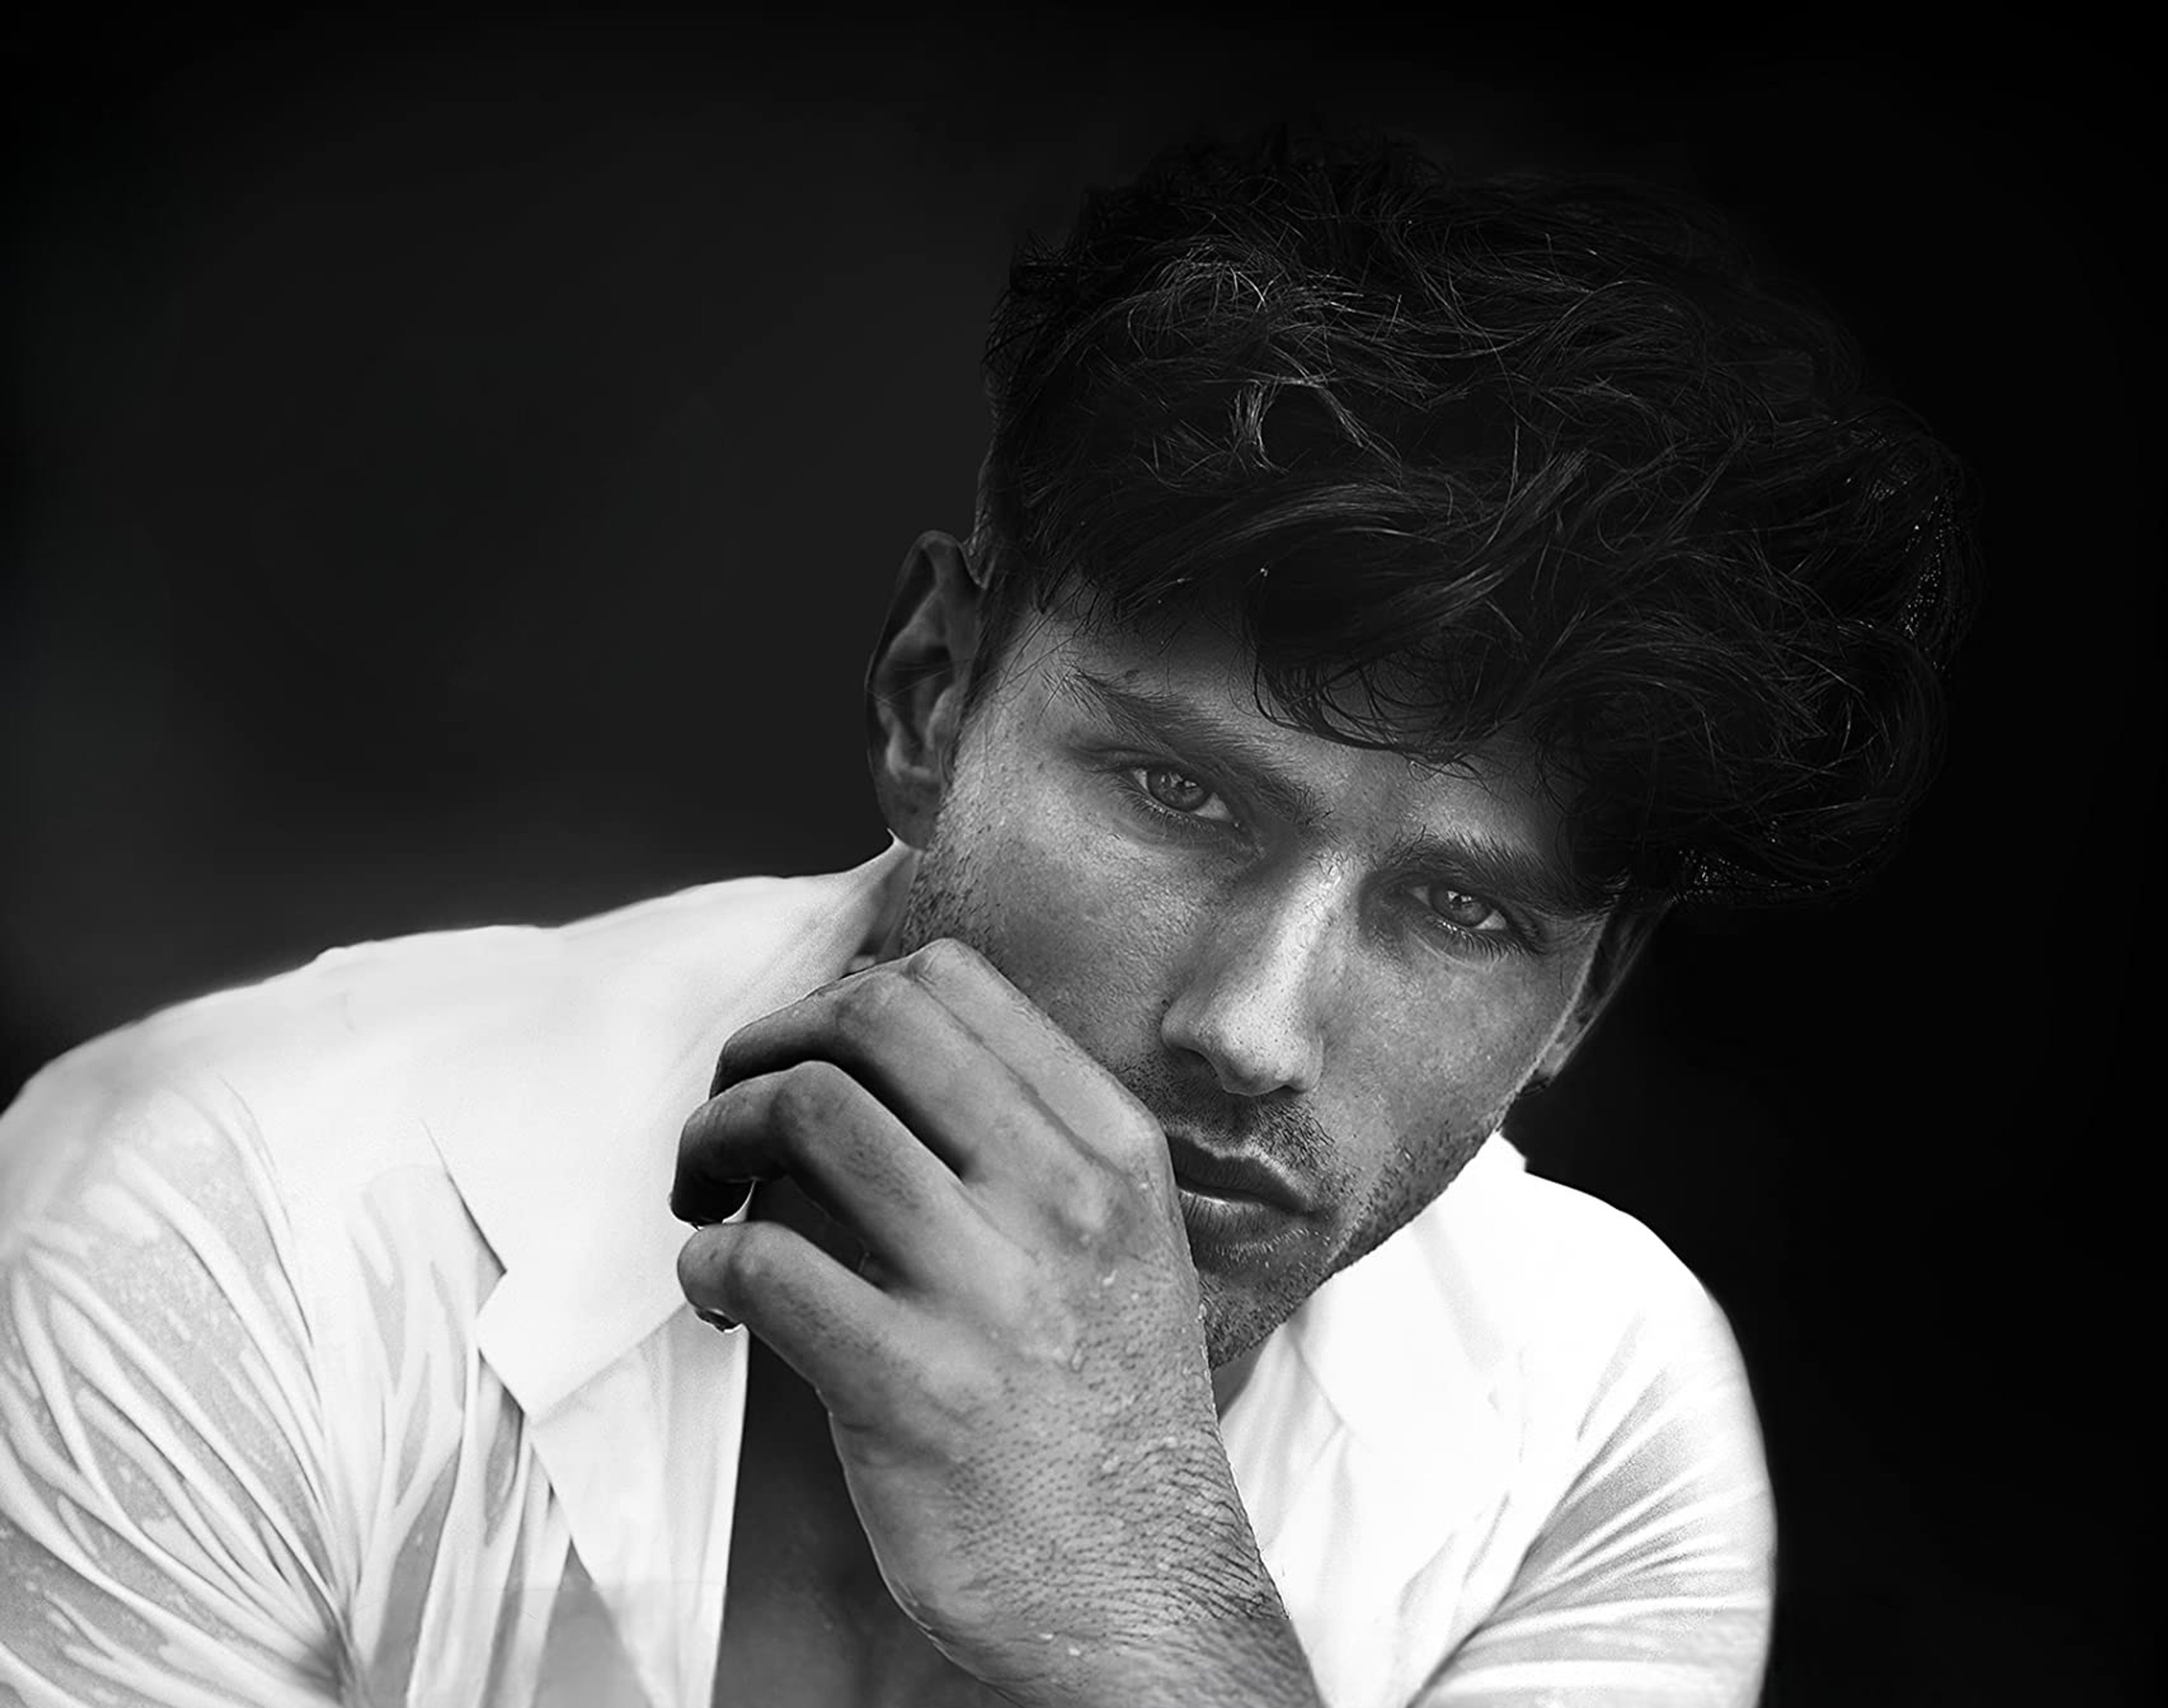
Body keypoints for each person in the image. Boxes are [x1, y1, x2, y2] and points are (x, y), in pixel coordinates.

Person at [0, 128, 1972, 1706]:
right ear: (931, 697)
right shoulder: (228, 1221)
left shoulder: (1587, 1417)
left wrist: (1150, 1610)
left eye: (1457, 908)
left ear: (1587, 996)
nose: (1253, 1029)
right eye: (1180, 795)